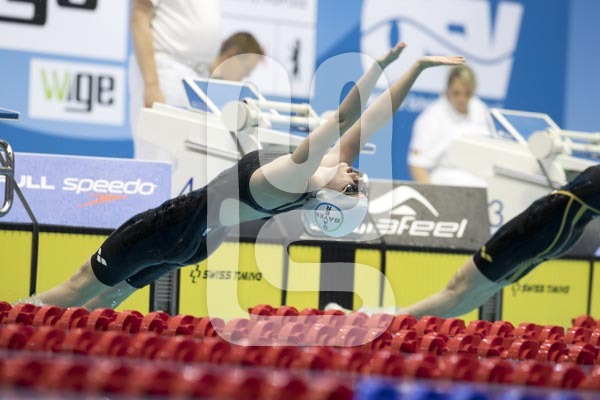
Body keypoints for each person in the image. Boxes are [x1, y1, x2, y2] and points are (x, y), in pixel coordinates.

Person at [19, 44, 465, 309]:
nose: (357, 174)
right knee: (109, 299)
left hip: (170, 229)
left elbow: (343, 117)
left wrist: (378, 67)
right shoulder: (320, 175)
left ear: (332, 198)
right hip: (196, 244)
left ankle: (15, 323)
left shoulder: (294, 178)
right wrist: (418, 69)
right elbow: (375, 119)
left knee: (77, 285)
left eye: (353, 187)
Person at [326, 164, 600, 318]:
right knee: (471, 292)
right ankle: (391, 321)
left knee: (462, 286)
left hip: (544, 224)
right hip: (558, 230)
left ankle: (380, 322)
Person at [408, 64, 491, 187]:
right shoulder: (431, 117)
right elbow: (417, 164)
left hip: (482, 182)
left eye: (467, 94)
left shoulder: (481, 110)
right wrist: (431, 195)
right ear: (447, 90)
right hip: (446, 184)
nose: (462, 99)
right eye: (456, 93)